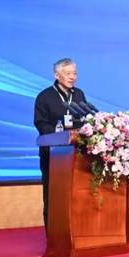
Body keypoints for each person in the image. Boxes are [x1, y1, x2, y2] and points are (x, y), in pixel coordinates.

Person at [33, 58, 90, 229]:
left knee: (77, 193)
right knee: (53, 194)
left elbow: (85, 119)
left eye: (75, 73)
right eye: (68, 73)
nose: (73, 77)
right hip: (53, 155)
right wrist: (60, 134)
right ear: (57, 75)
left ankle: (76, 231)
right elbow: (41, 123)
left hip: (76, 153)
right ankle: (53, 234)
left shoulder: (79, 94)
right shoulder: (45, 97)